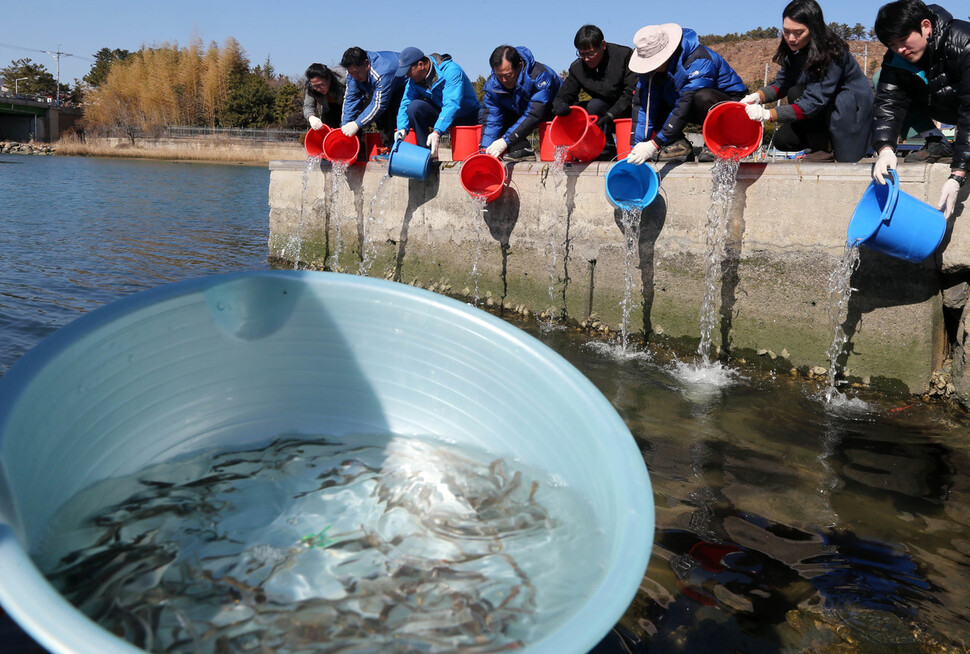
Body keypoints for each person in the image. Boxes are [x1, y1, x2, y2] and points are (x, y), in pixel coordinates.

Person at [742, 0, 874, 162]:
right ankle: (821, 144)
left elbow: (813, 101)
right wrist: (757, 96)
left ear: (814, 29)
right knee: (783, 140)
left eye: (798, 32)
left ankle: (824, 150)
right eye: (786, 31)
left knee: (797, 92)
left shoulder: (832, 52)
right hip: (821, 110)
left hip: (847, 110)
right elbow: (782, 83)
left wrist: (768, 114)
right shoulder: (795, 51)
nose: (791, 38)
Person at [870, 0, 968, 218]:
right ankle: (936, 141)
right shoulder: (897, 55)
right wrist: (885, 149)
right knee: (880, 79)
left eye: (903, 40)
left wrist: (957, 174)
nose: (899, 49)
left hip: (964, 102)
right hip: (939, 101)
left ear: (926, 26)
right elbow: (888, 102)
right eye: (891, 44)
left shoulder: (964, 43)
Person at [627, 23, 747, 164]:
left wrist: (654, 144)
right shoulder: (652, 72)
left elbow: (685, 103)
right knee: (653, 98)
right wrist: (635, 147)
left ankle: (718, 142)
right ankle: (679, 146)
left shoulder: (699, 59)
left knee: (702, 97)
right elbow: (643, 107)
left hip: (729, 107)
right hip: (684, 103)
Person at [552, 25, 638, 157]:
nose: (587, 59)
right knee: (590, 105)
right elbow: (564, 94)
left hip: (628, 109)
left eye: (591, 53)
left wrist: (611, 114)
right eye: (582, 54)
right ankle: (605, 149)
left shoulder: (624, 55)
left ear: (603, 45)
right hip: (601, 111)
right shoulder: (577, 68)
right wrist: (559, 105)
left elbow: (632, 91)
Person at [395, 47, 481, 159]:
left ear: (421, 65)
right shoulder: (413, 81)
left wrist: (437, 131)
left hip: (467, 115)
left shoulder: (451, 71)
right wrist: (402, 128)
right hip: (442, 114)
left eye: (408, 71)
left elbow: (451, 104)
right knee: (414, 108)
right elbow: (405, 103)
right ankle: (426, 156)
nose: (407, 76)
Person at [481, 45, 562, 162]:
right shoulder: (492, 86)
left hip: (551, 111)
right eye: (499, 76)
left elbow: (535, 113)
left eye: (508, 75)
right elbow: (492, 121)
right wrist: (484, 151)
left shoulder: (539, 76)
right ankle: (523, 150)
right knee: (501, 117)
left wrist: (506, 140)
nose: (504, 80)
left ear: (519, 66)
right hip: (521, 112)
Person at [338, 47, 407, 147]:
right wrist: (345, 124)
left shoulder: (382, 72)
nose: (355, 76)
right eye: (351, 73)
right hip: (386, 87)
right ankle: (388, 148)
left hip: (405, 84)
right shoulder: (353, 73)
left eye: (357, 72)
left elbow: (379, 105)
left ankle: (397, 148)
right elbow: (351, 98)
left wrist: (357, 124)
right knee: (375, 109)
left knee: (389, 110)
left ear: (366, 64)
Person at [303, 63, 345, 131]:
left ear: (329, 78)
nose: (319, 89)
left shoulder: (343, 78)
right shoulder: (310, 87)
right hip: (329, 108)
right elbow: (308, 106)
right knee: (328, 129)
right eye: (315, 86)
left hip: (348, 104)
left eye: (321, 84)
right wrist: (311, 117)